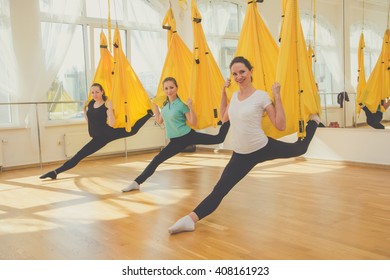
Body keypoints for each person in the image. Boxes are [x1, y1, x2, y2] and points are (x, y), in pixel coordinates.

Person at [168, 56, 322, 234]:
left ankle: (314, 122)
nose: (239, 76)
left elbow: (280, 125)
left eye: (242, 72)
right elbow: (223, 117)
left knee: (300, 148)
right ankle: (190, 220)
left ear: (250, 72)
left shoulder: (261, 96)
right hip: (240, 155)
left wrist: (277, 95)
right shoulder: (233, 96)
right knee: (219, 190)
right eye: (234, 74)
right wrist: (223, 93)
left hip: (262, 148)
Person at [121, 76, 230, 192]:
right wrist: (155, 106)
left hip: (188, 136)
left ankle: (228, 117)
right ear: (164, 90)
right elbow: (159, 120)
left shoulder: (181, 104)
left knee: (219, 138)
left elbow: (193, 122)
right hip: (174, 142)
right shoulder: (165, 106)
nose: (169, 91)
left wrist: (191, 108)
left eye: (171, 87)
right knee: (156, 160)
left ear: (177, 88)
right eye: (166, 88)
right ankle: (136, 182)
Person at [40, 83, 153, 180]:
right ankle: (55, 173)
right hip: (96, 136)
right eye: (92, 92)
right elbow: (90, 120)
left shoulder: (106, 105)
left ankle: (149, 114)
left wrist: (110, 109)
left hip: (105, 135)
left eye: (97, 92)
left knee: (132, 130)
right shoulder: (90, 104)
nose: (94, 95)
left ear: (102, 92)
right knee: (80, 155)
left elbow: (112, 124)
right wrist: (84, 111)